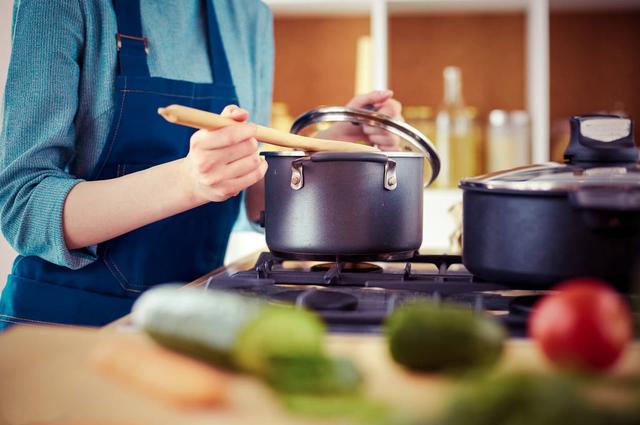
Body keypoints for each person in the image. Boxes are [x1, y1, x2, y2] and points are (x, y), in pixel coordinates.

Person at [0, 0, 402, 329]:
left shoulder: (248, 16)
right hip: (63, 327)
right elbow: (23, 205)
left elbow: (252, 196)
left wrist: (327, 148)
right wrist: (186, 182)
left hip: (191, 320)